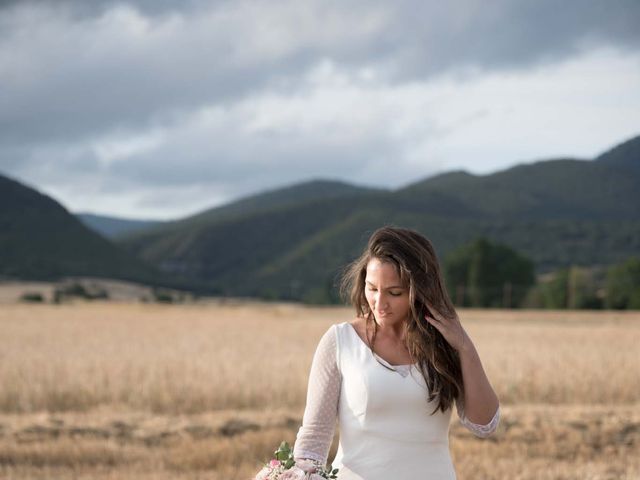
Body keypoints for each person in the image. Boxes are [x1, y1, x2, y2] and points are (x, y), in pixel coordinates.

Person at [291, 226, 500, 479]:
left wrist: (465, 348)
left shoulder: (446, 344)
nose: (379, 303)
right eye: (372, 289)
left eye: (394, 292)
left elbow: (484, 424)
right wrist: (296, 474)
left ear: (421, 290)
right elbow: (314, 438)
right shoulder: (340, 341)